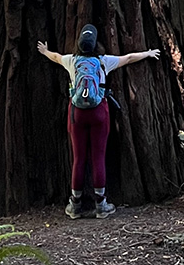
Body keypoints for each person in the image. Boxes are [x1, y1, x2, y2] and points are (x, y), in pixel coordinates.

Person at [37, 24, 160, 219]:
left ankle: (75, 205)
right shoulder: (103, 62)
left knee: (78, 158)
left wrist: (44, 51)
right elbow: (128, 58)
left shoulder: (71, 61)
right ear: (96, 45)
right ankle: (101, 205)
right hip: (99, 113)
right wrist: (148, 52)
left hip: (77, 113)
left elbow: (55, 57)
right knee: (98, 157)